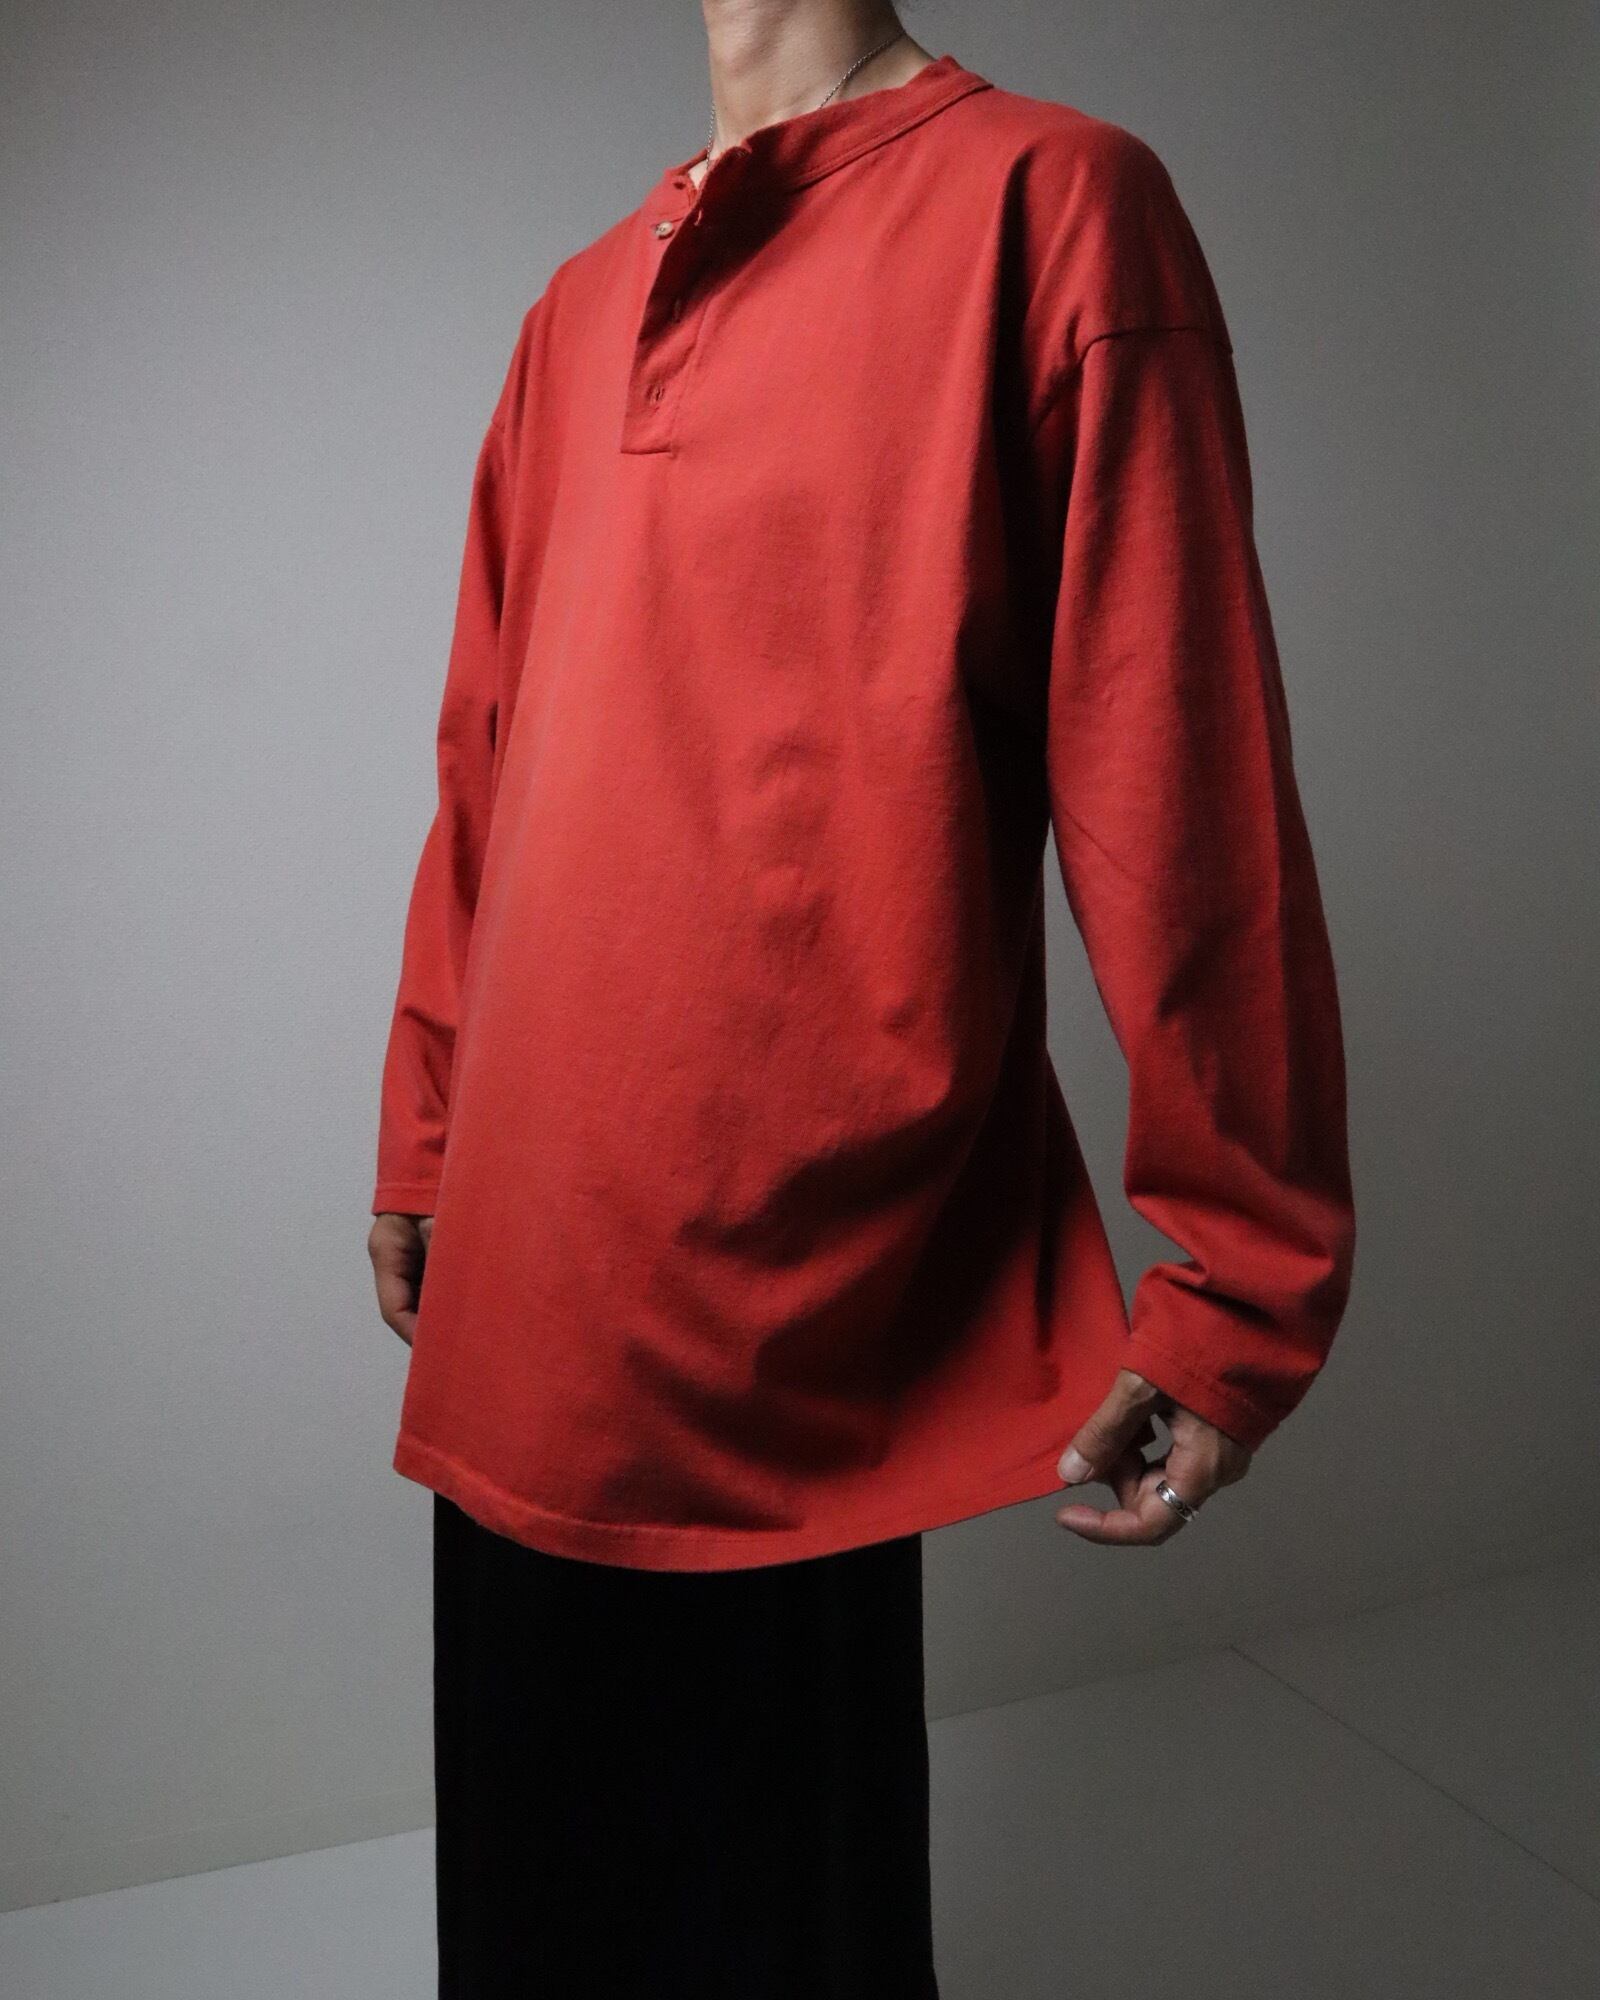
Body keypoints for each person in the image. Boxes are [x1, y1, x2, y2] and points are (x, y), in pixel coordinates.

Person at [366, 4, 1356, 1994]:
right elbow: (489, 763)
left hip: (797, 1293)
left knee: (774, 1926)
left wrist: (1245, 1276)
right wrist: (426, 1127)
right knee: (536, 1923)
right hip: (521, 1289)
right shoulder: (576, 307)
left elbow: (1178, 770)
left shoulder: (1051, 204)